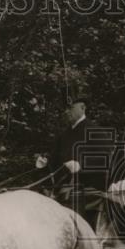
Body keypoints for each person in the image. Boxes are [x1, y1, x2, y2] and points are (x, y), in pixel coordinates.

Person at [47, 96, 108, 227]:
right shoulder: (63, 135)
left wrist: (81, 166)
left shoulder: (95, 131)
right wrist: (44, 163)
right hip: (63, 190)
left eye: (70, 108)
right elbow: (55, 162)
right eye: (65, 109)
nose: (67, 112)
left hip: (89, 191)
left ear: (83, 107)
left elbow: (104, 159)